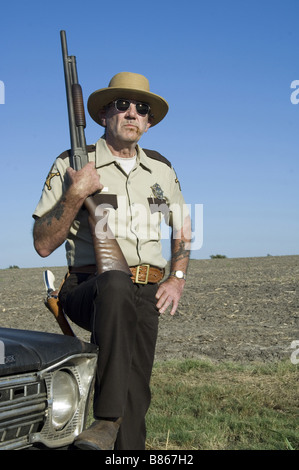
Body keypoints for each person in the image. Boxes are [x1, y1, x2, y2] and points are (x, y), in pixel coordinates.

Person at [32, 72, 191, 450]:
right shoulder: (72, 162)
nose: (132, 112)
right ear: (104, 113)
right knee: (117, 284)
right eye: (122, 104)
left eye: (142, 108)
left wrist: (177, 276)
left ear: (149, 122)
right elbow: (42, 244)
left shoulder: (162, 170)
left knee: (136, 397)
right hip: (90, 288)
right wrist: (75, 195)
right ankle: (105, 419)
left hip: (147, 294)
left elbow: (183, 227)